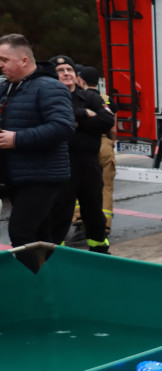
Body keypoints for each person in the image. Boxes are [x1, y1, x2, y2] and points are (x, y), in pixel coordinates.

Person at [0, 34, 75, 270]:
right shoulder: (8, 87)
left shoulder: (49, 87)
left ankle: (38, 287)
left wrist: (17, 139)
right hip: (18, 175)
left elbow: (63, 127)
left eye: (4, 59)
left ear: (24, 60)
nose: (0, 65)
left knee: (21, 232)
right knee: (41, 236)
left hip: (42, 175)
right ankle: (50, 285)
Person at [48, 55, 115, 253]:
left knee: (94, 210)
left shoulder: (91, 97)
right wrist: (85, 114)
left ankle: (100, 250)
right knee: (59, 211)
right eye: (61, 71)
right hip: (62, 164)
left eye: (69, 69)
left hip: (89, 164)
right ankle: (56, 254)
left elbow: (106, 121)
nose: (66, 73)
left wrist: (77, 121)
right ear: (53, 75)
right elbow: (55, 121)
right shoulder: (50, 97)